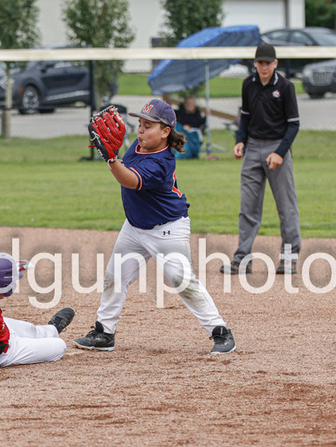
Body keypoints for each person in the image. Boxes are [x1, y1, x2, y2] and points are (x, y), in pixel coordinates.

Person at [74, 99, 236, 355]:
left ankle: (220, 331)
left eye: (148, 125)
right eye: (139, 123)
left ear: (165, 132)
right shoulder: (138, 147)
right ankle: (105, 332)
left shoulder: (162, 162)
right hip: (135, 227)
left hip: (167, 229)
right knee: (114, 277)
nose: (140, 130)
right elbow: (126, 169)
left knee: (182, 281)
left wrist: (110, 159)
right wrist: (114, 157)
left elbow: (130, 181)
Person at [222, 43, 302, 276]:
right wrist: (240, 140)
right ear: (255, 64)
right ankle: (242, 259)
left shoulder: (286, 87)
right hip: (253, 147)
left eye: (268, 63)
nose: (263, 67)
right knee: (248, 207)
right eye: (260, 63)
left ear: (275, 64)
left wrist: (280, 152)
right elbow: (245, 117)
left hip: (278, 147)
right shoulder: (249, 84)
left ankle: (289, 259)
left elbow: (294, 124)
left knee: (286, 207)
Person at [0, 252, 76, 377]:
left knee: (31, 329)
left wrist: (10, 268)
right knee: (60, 346)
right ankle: (51, 335)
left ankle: (53, 329)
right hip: (2, 353)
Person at [174, 95, 206, 160]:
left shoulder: (197, 115)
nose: (189, 105)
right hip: (181, 131)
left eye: (191, 104)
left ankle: (185, 152)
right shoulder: (179, 113)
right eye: (188, 103)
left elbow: (200, 125)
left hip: (192, 132)